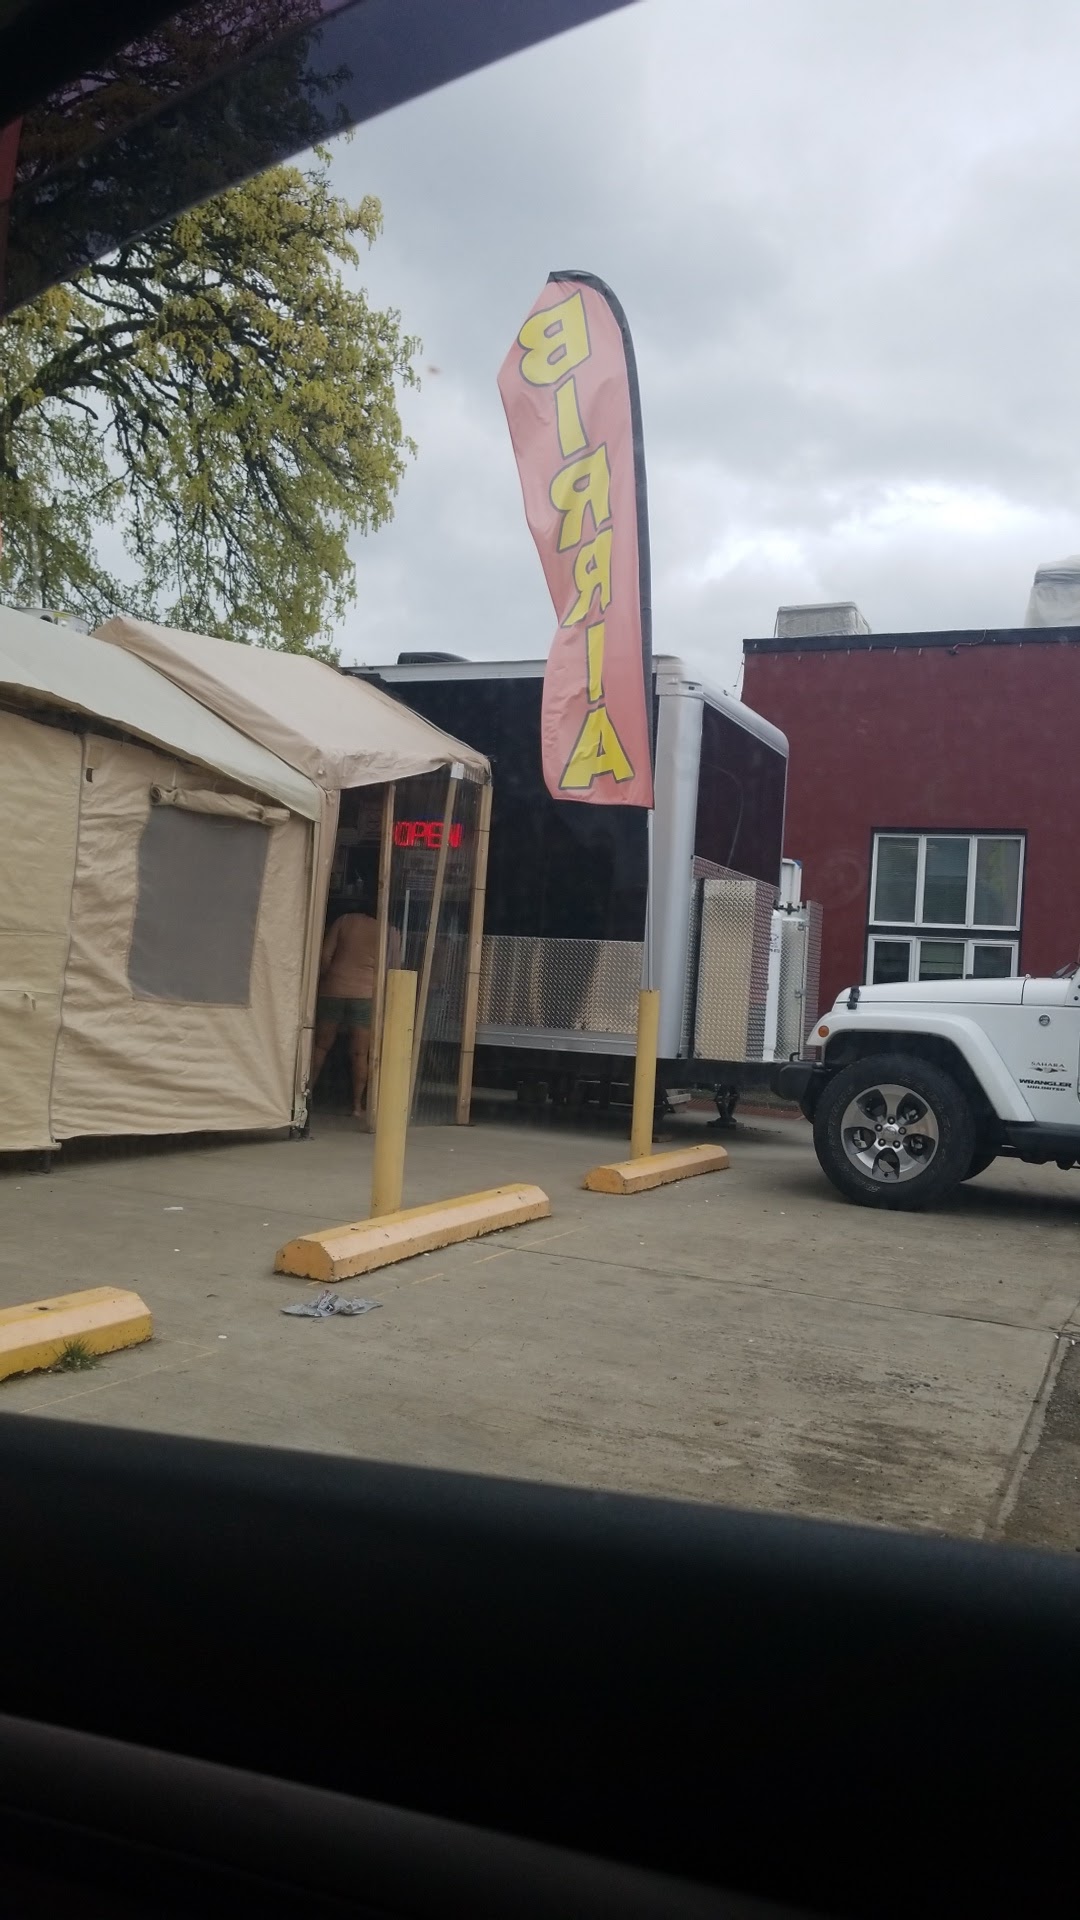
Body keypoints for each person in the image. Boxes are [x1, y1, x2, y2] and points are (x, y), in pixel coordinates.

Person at [311, 898, 400, 1118]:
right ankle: (357, 1106)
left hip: (333, 990)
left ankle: (306, 1094)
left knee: (320, 1046)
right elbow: (393, 968)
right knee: (360, 1053)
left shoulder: (344, 921)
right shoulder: (390, 932)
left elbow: (325, 956)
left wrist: (328, 977)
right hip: (365, 995)